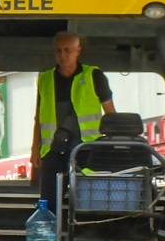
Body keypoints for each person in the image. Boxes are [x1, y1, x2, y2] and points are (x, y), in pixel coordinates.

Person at [31, 30, 114, 215]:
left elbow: (110, 114)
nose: (63, 55)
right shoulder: (45, 79)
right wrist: (34, 149)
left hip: (87, 150)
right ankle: (51, 240)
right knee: (48, 204)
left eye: (67, 50)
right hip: (53, 151)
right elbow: (38, 117)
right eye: (58, 51)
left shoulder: (94, 75)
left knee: (89, 201)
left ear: (78, 50)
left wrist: (111, 146)